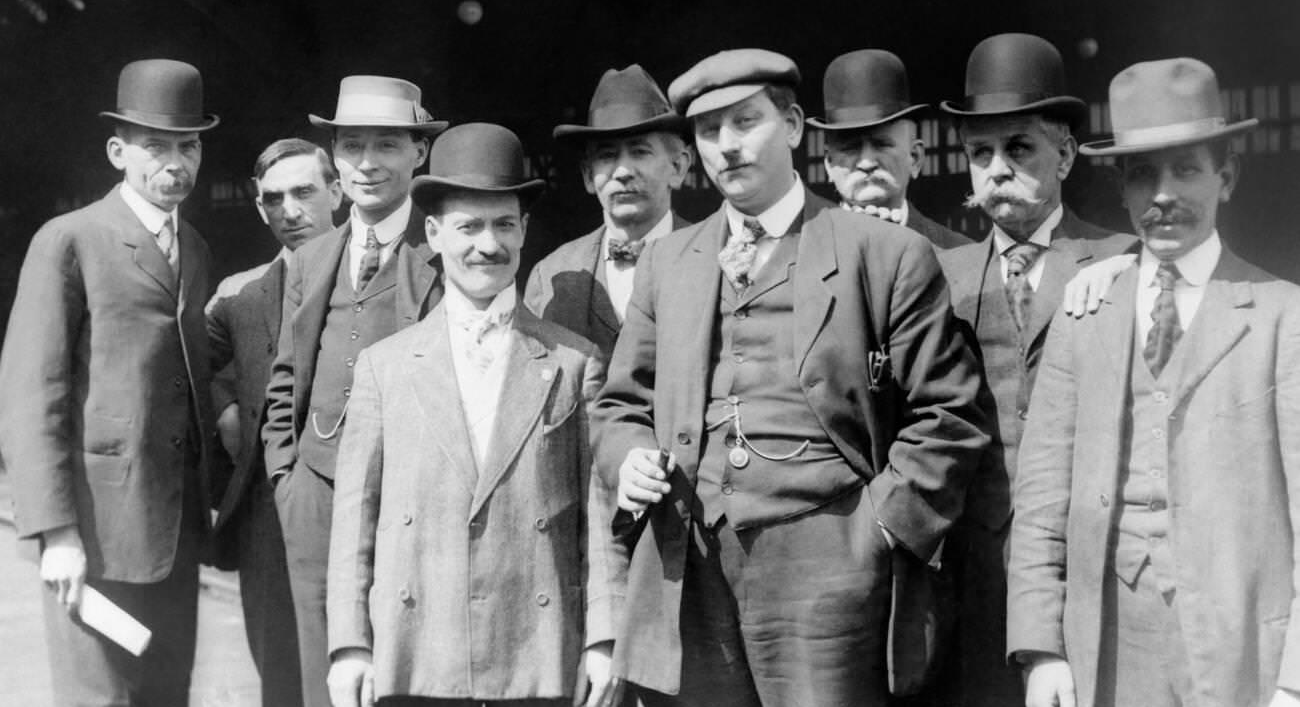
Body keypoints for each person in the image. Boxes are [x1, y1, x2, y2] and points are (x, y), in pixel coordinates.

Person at [591, 48, 988, 707]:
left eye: (746, 121)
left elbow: (950, 412)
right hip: (690, 567)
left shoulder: (882, 253)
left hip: (830, 572)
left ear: (797, 127)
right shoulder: (670, 262)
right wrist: (628, 457)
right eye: (709, 130)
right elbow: (619, 403)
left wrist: (878, 531)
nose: (726, 146)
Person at [1007, 57, 1300, 707]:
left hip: (1242, 653)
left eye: (1186, 168)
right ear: (1121, 189)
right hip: (1107, 648)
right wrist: (1043, 648)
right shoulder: (1083, 313)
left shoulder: (1283, 315)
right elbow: (1041, 500)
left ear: (1226, 177)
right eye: (1142, 173)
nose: (1163, 193)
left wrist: (1293, 678)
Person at [326, 123, 624, 707]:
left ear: (525, 230)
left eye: (504, 225)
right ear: (434, 234)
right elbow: (354, 522)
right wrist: (349, 646)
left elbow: (598, 516)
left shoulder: (573, 361)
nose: (487, 246)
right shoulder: (384, 368)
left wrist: (604, 636)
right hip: (416, 652)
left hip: (537, 651)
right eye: (468, 227)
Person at [0, 59, 219, 706]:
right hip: (95, 536)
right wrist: (54, 532)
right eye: (156, 146)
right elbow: (29, 394)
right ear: (118, 151)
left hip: (175, 539)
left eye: (189, 144)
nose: (175, 161)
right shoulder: (70, 241)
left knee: (165, 695)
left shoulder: (198, 249)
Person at [934, 32, 1132, 706]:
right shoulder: (938, 277)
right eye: (979, 152)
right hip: (973, 575)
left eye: (1018, 148)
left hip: (1088, 566)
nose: (995, 168)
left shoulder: (1120, 262)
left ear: (1067, 154)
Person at [262, 76, 446, 707]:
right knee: (323, 670)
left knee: (404, 659)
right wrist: (286, 476)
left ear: (419, 152)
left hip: (407, 496)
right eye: (352, 146)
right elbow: (286, 377)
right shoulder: (313, 258)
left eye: (387, 145)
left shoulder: (446, 249)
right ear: (335, 154)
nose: (367, 163)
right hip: (313, 490)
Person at [207, 137, 343, 707]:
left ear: (337, 191)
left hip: (360, 514)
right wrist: (225, 409)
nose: (290, 210)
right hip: (269, 522)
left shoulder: (378, 276)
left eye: (305, 192)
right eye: (273, 199)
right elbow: (184, 371)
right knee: (282, 683)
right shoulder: (238, 297)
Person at [525, 64, 692, 358]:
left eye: (640, 152)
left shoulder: (713, 260)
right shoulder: (550, 275)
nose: (624, 171)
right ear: (589, 176)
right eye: (607, 155)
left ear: (677, 167)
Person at [810, 48, 969, 248]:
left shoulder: (959, 256)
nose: (866, 163)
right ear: (828, 164)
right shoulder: (802, 255)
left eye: (882, 144)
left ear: (915, 158)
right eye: (850, 147)